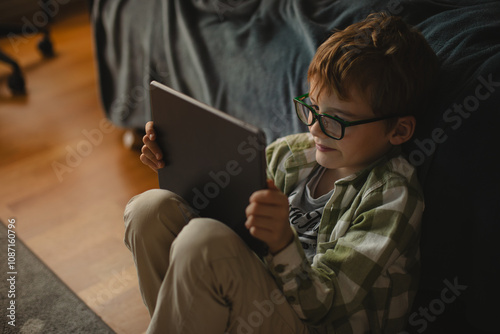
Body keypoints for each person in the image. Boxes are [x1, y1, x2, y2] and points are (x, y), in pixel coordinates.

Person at [124, 12, 439, 333]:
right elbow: (218, 221)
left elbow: (324, 307)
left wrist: (281, 243)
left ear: (398, 130)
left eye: (336, 120)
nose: (315, 128)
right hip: (254, 306)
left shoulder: (392, 194)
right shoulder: (291, 155)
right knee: (149, 210)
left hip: (315, 322)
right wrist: (175, 163)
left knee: (202, 241)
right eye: (313, 107)